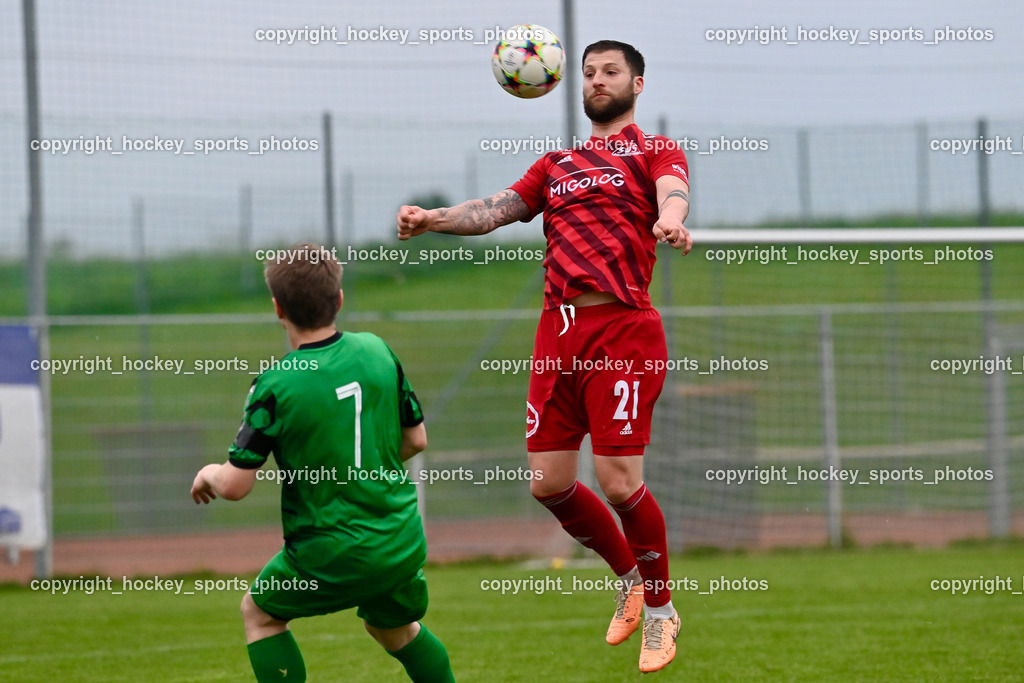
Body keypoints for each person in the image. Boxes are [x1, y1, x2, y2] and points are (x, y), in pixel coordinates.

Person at [396, 40, 691, 673]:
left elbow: (673, 191)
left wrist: (670, 219)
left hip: (620, 331)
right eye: (588, 73)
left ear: (639, 84)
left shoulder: (653, 150)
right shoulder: (556, 164)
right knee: (549, 482)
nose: (597, 81)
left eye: (611, 72)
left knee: (618, 481)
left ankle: (664, 612)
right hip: (557, 336)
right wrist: (432, 219)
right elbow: (493, 211)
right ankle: (630, 578)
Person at [191, 243, 455, 682]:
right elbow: (416, 440)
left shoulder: (273, 386)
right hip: (398, 540)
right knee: (394, 629)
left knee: (259, 614)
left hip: (329, 552)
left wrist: (207, 474)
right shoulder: (377, 351)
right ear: (339, 299)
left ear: (278, 308)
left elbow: (235, 486)